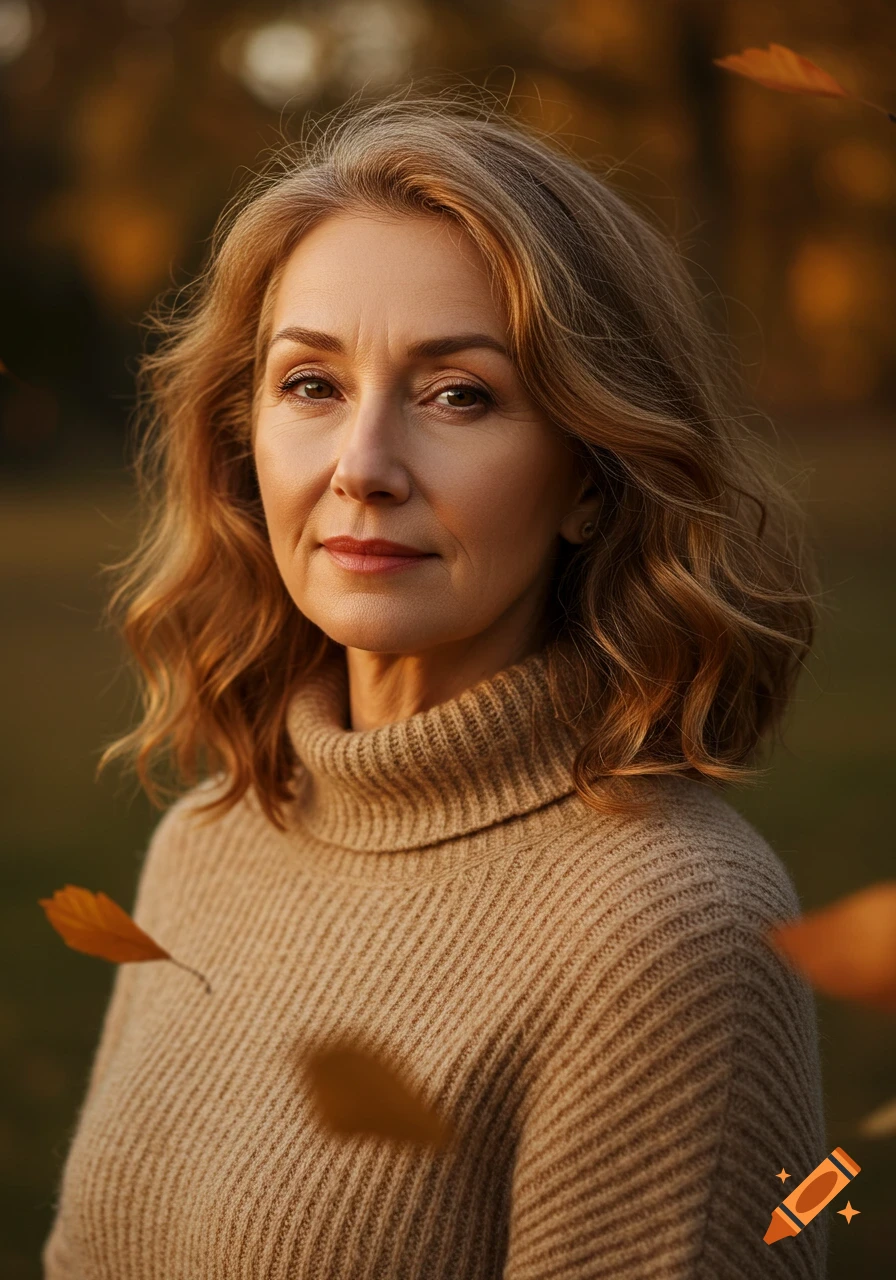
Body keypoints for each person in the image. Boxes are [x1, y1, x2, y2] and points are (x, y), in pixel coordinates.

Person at [43, 87, 827, 1279]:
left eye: (459, 393)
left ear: (590, 478)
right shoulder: (208, 837)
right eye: (311, 385)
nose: (362, 466)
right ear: (242, 437)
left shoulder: (666, 932)